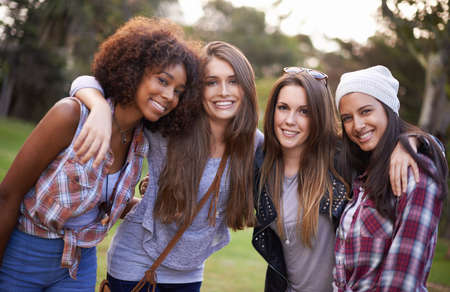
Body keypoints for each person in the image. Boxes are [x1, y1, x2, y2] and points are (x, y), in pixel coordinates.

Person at [0, 16, 201, 291]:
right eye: (163, 81)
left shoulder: (142, 138)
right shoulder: (72, 115)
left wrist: (151, 207)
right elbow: (7, 195)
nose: (169, 96)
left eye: (178, 91)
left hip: (79, 263)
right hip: (26, 253)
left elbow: (98, 199)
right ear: (135, 70)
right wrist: (99, 108)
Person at [69, 41, 262, 292]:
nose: (223, 91)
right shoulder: (169, 128)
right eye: (211, 82)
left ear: (246, 87)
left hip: (189, 272)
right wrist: (99, 108)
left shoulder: (254, 143)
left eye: (233, 81)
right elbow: (84, 82)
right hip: (136, 264)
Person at [251, 66, 437, 292]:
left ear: (318, 116)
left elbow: (388, 136)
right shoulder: (261, 165)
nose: (290, 120)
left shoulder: (341, 161)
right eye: (283, 108)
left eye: (304, 111)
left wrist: (414, 142)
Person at [334, 65, 448, 291]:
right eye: (347, 117)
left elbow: (401, 280)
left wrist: (417, 141)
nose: (357, 125)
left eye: (366, 111)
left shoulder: (416, 171)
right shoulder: (361, 174)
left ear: (388, 109)